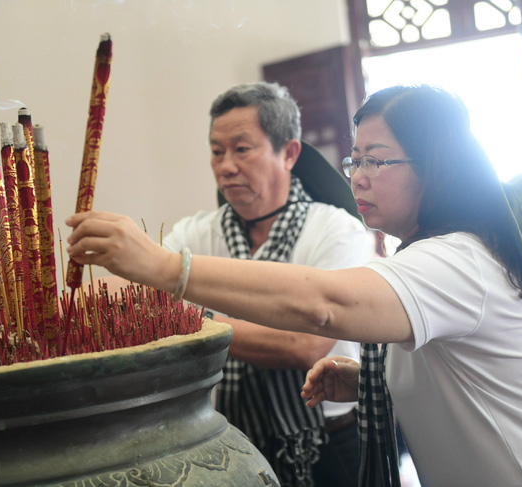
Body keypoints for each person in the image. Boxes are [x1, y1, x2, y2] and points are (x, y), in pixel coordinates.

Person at [65, 84, 522, 487]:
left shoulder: (460, 259)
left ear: (437, 168)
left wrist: (164, 268)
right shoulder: (428, 256)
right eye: (356, 160)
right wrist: (369, 380)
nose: (357, 176)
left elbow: (324, 305)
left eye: (377, 160)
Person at [105, 82, 373, 486]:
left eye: (241, 149)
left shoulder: (335, 231)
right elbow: (130, 289)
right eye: (216, 151)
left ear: (289, 153)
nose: (225, 166)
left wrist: (190, 317)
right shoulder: (199, 232)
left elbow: (305, 345)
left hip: (328, 441)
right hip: (232, 438)